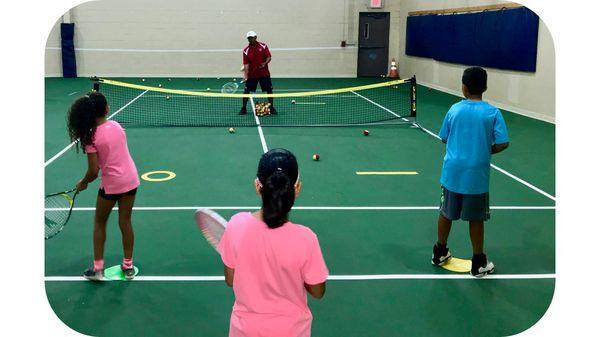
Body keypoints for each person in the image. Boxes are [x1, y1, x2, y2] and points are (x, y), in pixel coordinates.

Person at [218, 148, 328, 337]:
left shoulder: (236, 225)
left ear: (257, 186)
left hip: (244, 330)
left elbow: (230, 280)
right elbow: (318, 291)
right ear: (297, 188)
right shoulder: (306, 238)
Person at [431, 67, 509, 278]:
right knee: (476, 219)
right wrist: (486, 149)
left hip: (452, 173)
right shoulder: (493, 113)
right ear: (485, 87)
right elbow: (503, 143)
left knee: (446, 212)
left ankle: (440, 252)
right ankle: (478, 263)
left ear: (463, 87)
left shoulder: (454, 110)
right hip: (477, 176)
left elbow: (444, 137)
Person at [67, 91, 140, 281]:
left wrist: (82, 183)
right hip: (131, 179)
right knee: (125, 222)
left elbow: (93, 171)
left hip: (112, 185)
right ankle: (128, 267)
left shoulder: (90, 138)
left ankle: (98, 269)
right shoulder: (116, 126)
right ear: (106, 109)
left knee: (100, 222)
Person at [239, 31, 276, 115]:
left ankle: (272, 107)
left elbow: (269, 57)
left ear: (255, 37)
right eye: (248, 38)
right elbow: (246, 64)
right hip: (252, 75)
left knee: (269, 90)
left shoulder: (263, 46)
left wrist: (265, 63)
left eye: (251, 37)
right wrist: (245, 76)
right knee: (246, 91)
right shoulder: (246, 50)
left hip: (264, 74)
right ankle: (243, 108)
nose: (250, 39)